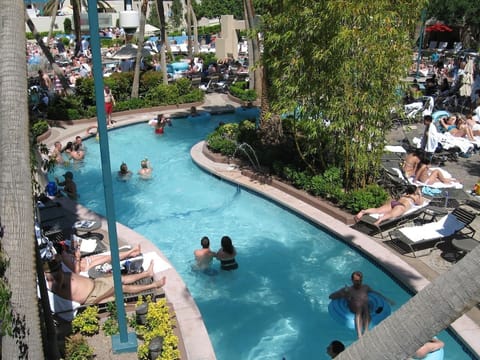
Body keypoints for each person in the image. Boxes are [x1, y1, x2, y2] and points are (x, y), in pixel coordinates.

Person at [44, 257, 166, 305]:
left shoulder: (59, 273)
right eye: (54, 268)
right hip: (94, 296)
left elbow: (74, 271)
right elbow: (60, 281)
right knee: (121, 288)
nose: (57, 267)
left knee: (120, 278)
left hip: (95, 283)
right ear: (47, 273)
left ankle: (147, 273)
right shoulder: (53, 285)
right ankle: (154, 285)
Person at [329, 271, 394, 338]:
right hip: (354, 309)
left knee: (364, 306)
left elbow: (376, 293)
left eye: (360, 280)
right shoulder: (348, 289)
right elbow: (331, 296)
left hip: (365, 308)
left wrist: (388, 300)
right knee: (360, 307)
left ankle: (366, 330)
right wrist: (342, 293)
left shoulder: (365, 287)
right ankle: (359, 334)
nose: (358, 283)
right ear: (352, 280)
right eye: (356, 281)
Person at [354, 185, 423, 226]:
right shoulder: (415, 197)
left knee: (377, 210)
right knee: (391, 214)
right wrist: (419, 194)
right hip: (401, 206)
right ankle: (380, 220)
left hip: (394, 203)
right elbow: (420, 203)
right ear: (414, 192)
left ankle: (363, 211)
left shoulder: (404, 194)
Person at [60, 243, 142, 274]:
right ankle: (132, 252)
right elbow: (76, 271)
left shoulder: (64, 254)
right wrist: (77, 258)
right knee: (110, 257)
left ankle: (132, 253)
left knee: (109, 256)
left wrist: (76, 250)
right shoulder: (63, 259)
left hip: (87, 260)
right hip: (87, 267)